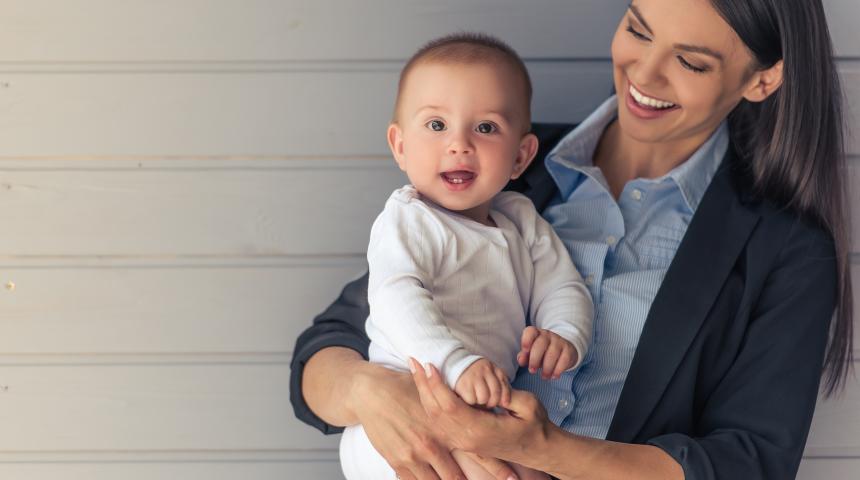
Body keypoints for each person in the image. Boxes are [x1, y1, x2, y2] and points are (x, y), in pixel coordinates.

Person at [290, 0, 853, 479]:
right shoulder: (495, 165)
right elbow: (324, 350)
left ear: (761, 78)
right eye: (637, 28)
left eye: (690, 61)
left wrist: (540, 450)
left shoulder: (785, 252)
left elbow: (747, 464)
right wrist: (374, 393)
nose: (645, 74)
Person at [339, 34, 594, 480]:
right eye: (436, 126)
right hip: (404, 413)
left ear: (520, 156)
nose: (459, 145)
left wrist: (564, 333)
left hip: (474, 417)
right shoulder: (408, 220)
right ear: (400, 146)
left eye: (486, 127)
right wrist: (456, 363)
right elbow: (397, 298)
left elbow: (563, 285)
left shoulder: (522, 220)